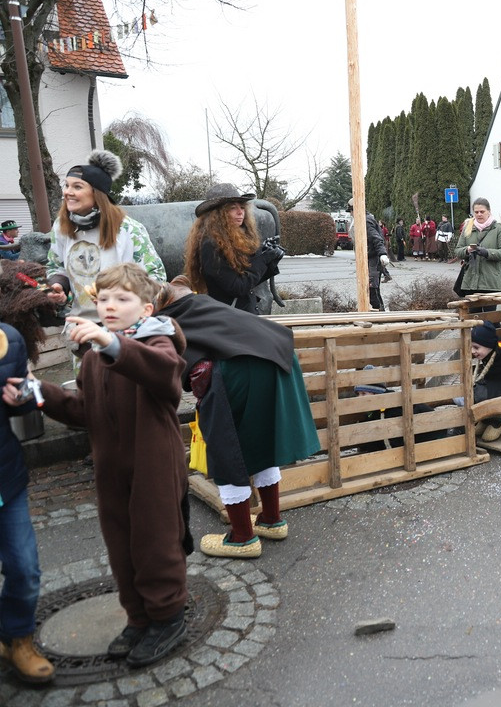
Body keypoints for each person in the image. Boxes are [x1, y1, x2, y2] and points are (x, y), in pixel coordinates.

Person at [12, 263, 190, 668]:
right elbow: (84, 410)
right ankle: (139, 617)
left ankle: (167, 617)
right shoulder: (94, 360)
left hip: (154, 467)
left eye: (122, 299)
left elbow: (166, 377)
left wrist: (112, 344)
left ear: (145, 310)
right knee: (121, 546)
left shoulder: (158, 344)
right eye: (104, 298)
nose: (110, 306)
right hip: (111, 471)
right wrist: (37, 391)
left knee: (155, 543)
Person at [156, 275, 320, 559]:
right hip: (275, 355)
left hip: (238, 369)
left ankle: (242, 537)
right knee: (260, 442)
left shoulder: (163, 320)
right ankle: (271, 520)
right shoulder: (199, 304)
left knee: (228, 450)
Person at [45, 149, 166, 319]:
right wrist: (58, 286)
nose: (67, 192)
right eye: (66, 185)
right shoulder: (60, 226)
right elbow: (55, 266)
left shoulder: (128, 229)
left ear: (97, 193)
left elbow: (155, 277)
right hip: (81, 323)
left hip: (123, 324)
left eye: (77, 187)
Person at [0, 322, 54, 684]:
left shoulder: (8, 340)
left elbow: (25, 399)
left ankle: (17, 638)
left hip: (6, 478)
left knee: (25, 569)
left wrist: (25, 397)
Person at [184, 184, 284, 314]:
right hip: (230, 319)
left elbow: (249, 281)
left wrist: (269, 260)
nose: (240, 212)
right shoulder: (211, 245)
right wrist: (263, 260)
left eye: (242, 207)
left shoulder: (233, 240)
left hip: (241, 315)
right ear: (218, 214)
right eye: (233, 208)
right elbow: (238, 287)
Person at [469, 321, 501, 442]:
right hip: (495, 385)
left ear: (488, 345)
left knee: (488, 437)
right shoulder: (488, 354)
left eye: (476, 347)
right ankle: (487, 419)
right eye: (471, 347)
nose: (472, 351)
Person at [454, 198, 501, 296]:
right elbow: (458, 250)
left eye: (482, 211)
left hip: (491, 282)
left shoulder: (498, 229)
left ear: (489, 212)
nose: (479, 214)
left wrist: (487, 253)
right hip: (470, 282)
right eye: (476, 212)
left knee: (489, 312)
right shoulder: (468, 228)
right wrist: (467, 250)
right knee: (473, 311)